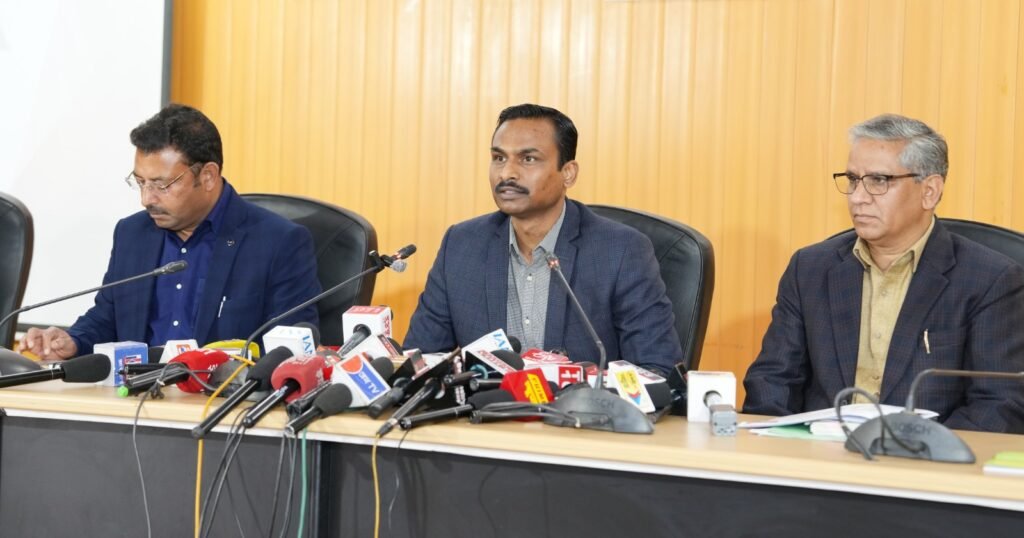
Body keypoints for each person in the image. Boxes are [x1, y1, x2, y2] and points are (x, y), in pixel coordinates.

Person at [743, 113, 1024, 433]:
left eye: (878, 181)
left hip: (927, 456)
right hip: (818, 451)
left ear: (929, 191)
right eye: (853, 180)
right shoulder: (810, 269)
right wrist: (779, 445)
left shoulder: (990, 281)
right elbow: (772, 382)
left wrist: (923, 450)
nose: (857, 197)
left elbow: (999, 404)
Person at [22, 104, 321, 359]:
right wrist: (73, 341)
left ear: (208, 176)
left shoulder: (278, 242)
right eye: (140, 182)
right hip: (133, 398)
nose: (146, 199)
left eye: (161, 185)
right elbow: (108, 318)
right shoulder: (132, 233)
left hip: (220, 401)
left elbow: (290, 349)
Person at [404, 103, 681, 375]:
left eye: (528, 159)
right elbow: (421, 363)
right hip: (486, 404)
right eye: (499, 158)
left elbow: (656, 370)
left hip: (581, 405)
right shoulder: (461, 246)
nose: (506, 173)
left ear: (568, 173)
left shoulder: (621, 251)